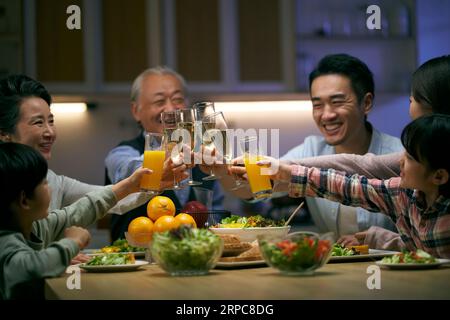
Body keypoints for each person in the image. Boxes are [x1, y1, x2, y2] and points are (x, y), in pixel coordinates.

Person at [0, 74, 176, 263]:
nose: (50, 132)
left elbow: (107, 201)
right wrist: (63, 250)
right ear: (4, 134)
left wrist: (151, 184)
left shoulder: (53, 180)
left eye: (51, 121)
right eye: (38, 122)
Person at [293, 55, 450, 249]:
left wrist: (284, 170)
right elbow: (353, 187)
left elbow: (360, 170)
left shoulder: (409, 167)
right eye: (317, 104)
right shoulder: (405, 190)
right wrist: (378, 237)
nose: (327, 114)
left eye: (414, 98)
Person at [257, 114, 450, 258]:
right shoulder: (403, 194)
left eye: (409, 158)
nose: (399, 161)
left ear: (439, 176)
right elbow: (349, 186)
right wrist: (287, 173)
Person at [0, 142, 151, 299]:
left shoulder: (35, 226)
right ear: (25, 201)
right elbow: (34, 267)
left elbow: (75, 213)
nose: (50, 188)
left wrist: (128, 186)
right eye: (44, 183)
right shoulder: (4, 241)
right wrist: (72, 242)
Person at [277, 54, 403, 235]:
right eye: (318, 104)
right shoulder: (311, 150)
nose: (327, 115)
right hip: (333, 264)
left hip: (392, 263)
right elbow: (258, 187)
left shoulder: (399, 155)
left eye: (337, 102)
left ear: (366, 103)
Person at [105, 66, 225, 241]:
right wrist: (170, 147)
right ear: (135, 111)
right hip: (136, 263)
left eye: (177, 99)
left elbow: (216, 214)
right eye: (159, 101)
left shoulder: (202, 157)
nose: (170, 109)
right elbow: (132, 172)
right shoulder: (121, 153)